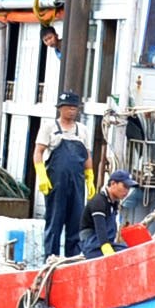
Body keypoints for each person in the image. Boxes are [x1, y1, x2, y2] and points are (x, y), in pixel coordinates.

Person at [34, 90, 90, 258]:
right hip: (56, 184)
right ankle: (51, 259)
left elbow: (87, 155)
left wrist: (91, 178)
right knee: (54, 223)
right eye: (68, 107)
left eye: (74, 107)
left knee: (76, 223)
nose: (71, 110)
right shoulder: (49, 128)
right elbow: (38, 152)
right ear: (60, 109)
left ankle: (72, 260)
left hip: (77, 184)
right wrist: (41, 175)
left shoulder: (83, 130)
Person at [83, 169, 133, 258]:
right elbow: (100, 229)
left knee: (131, 249)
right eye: (125, 186)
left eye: (129, 188)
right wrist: (106, 248)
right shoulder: (99, 202)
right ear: (113, 183)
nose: (127, 191)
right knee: (127, 253)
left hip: (105, 244)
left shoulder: (113, 204)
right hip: (92, 246)